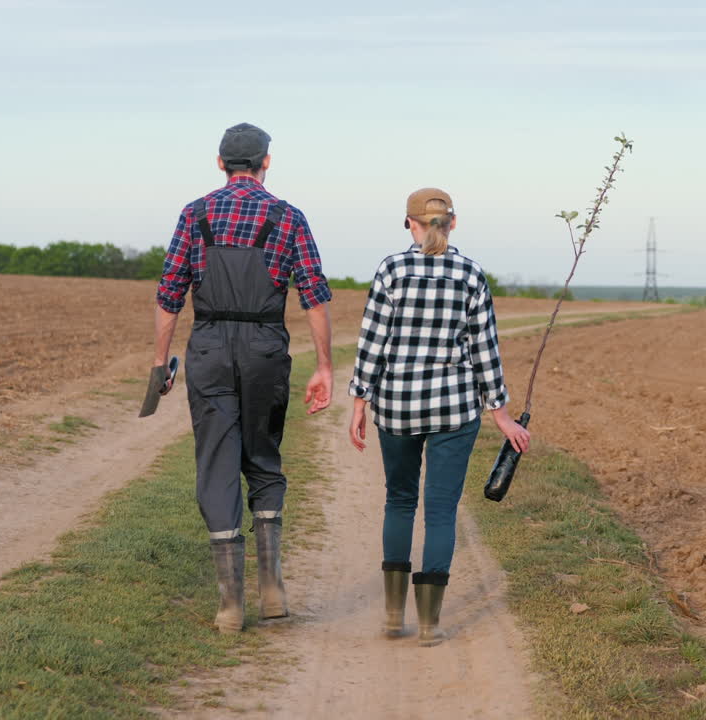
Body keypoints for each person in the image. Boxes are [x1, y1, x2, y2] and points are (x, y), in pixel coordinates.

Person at [152, 123, 334, 634]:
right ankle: (272, 590)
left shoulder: (195, 214)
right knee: (264, 457)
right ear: (265, 162)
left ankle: (231, 605)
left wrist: (161, 363)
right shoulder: (288, 217)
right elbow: (314, 296)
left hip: (209, 347)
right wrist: (324, 366)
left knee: (217, 462)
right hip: (265, 349)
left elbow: (169, 294)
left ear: (220, 163)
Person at [348, 187, 531, 646]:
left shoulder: (391, 269)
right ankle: (429, 623)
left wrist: (359, 402)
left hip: (397, 406)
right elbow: (485, 349)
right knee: (441, 510)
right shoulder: (470, 274)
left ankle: (394, 617)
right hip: (454, 408)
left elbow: (372, 342)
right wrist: (501, 415)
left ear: (409, 224)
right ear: (453, 223)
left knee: (399, 501)